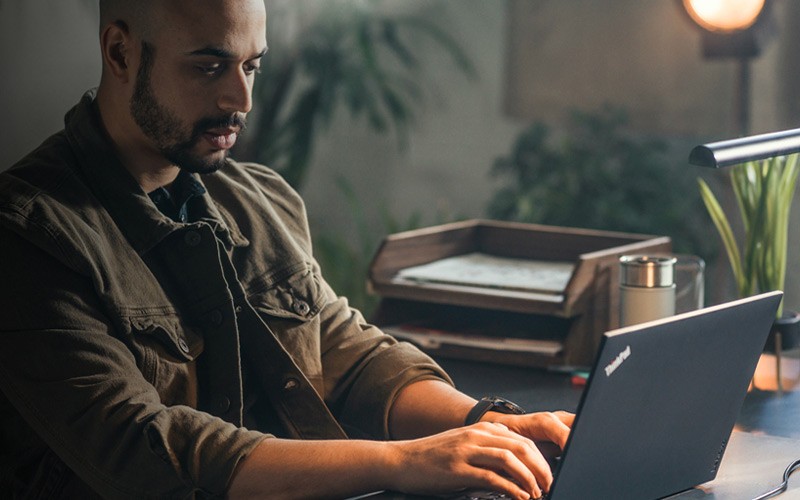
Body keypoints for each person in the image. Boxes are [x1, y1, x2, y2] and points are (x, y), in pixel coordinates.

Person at [0, 0, 573, 498]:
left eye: (251, 65)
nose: (240, 97)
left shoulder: (258, 198)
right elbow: (145, 444)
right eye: (209, 66)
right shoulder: (28, 234)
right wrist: (404, 461)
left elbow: (351, 355)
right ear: (120, 53)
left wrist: (487, 423)